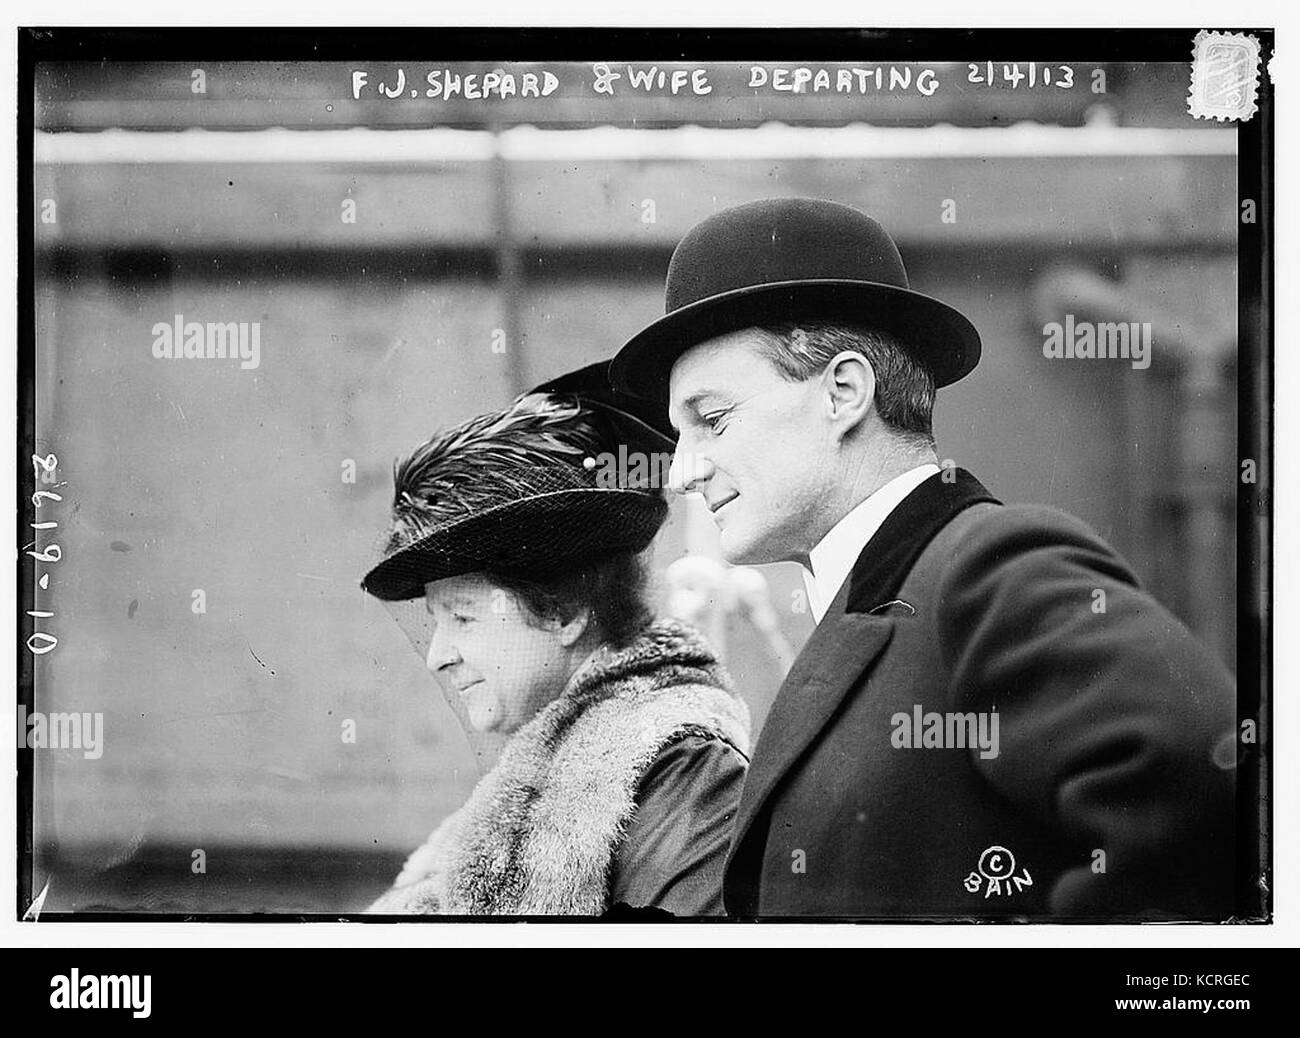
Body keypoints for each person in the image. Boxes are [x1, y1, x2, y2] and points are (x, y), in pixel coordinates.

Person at [609, 197, 1237, 919]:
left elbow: (1198, 777)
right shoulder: (880, 596)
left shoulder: (986, 566)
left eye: (712, 420)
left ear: (844, 391)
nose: (684, 469)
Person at [360, 368, 750, 916]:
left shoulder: (687, 781)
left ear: (565, 610)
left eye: (464, 618)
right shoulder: (530, 784)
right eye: (436, 621)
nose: (437, 655)